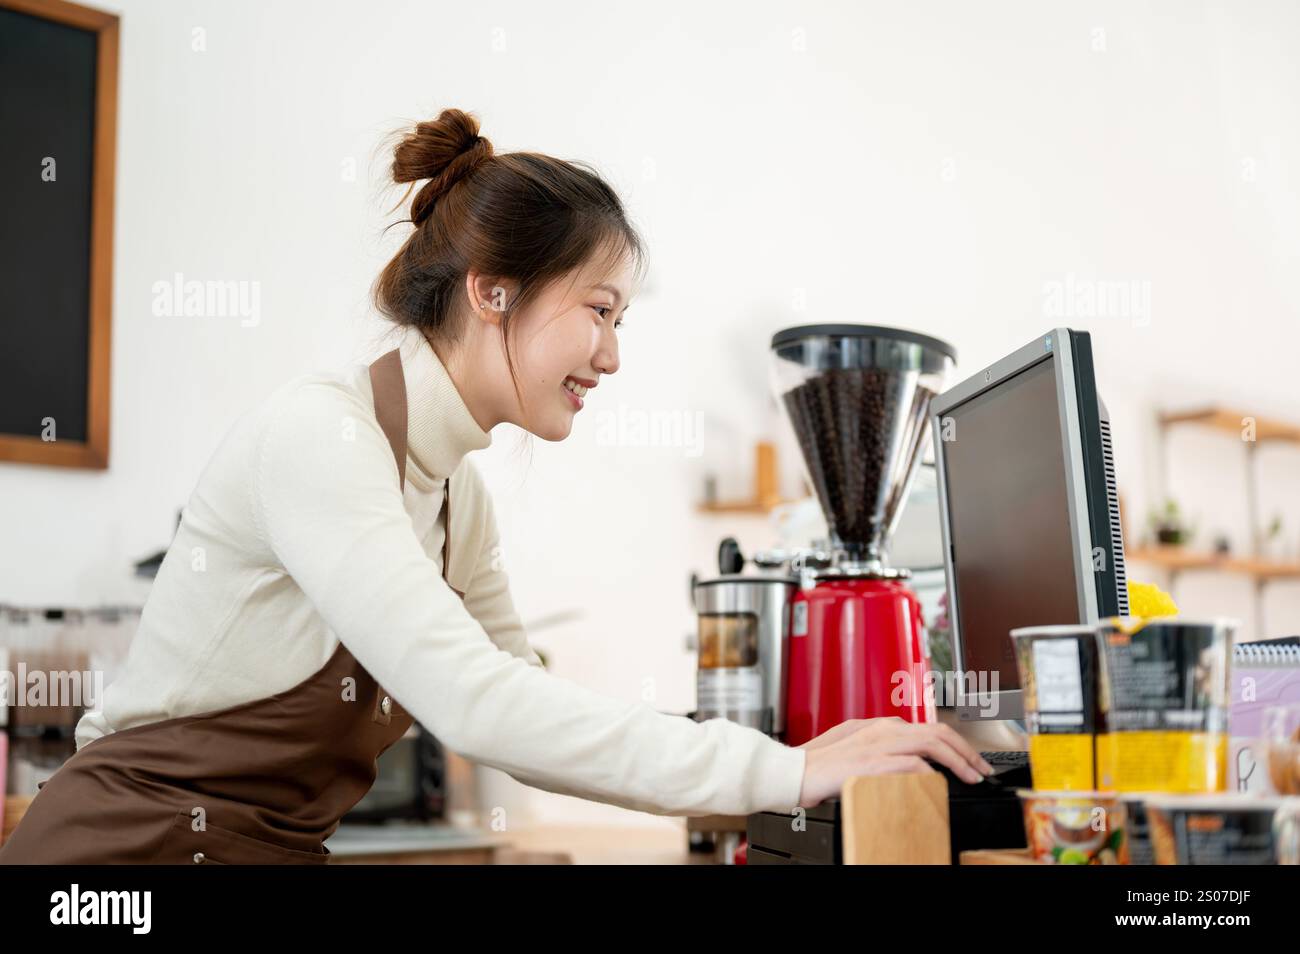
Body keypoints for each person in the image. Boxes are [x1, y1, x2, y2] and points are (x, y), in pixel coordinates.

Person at [0, 108, 992, 864]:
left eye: (621, 322)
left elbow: (523, 707)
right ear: (491, 289)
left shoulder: (451, 498)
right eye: (598, 310)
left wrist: (783, 767)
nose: (610, 356)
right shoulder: (322, 439)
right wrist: (791, 769)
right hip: (116, 863)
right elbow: (476, 707)